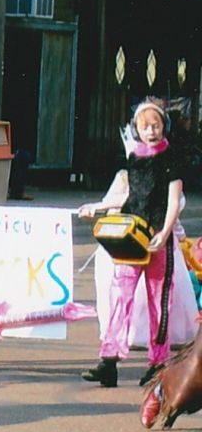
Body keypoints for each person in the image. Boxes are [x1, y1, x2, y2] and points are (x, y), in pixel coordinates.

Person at [77, 99, 183, 388]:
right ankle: (109, 360)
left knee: (159, 300)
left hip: (159, 239)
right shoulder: (134, 157)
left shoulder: (171, 158)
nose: (151, 131)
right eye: (145, 126)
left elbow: (174, 200)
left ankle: (158, 362)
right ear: (136, 128)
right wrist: (97, 206)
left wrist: (165, 231)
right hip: (131, 235)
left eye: (156, 125)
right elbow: (128, 196)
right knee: (119, 295)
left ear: (164, 127)